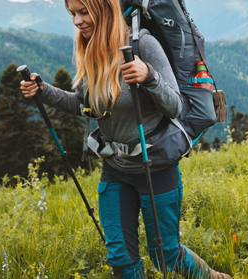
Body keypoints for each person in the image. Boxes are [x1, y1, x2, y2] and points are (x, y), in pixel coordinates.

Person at [20, 0, 230, 278]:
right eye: (72, 14)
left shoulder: (143, 45)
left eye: (84, 12)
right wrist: (43, 91)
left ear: (104, 9)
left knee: (166, 257)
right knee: (121, 259)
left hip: (155, 167)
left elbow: (175, 107)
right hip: (115, 170)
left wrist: (149, 77)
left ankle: (214, 277)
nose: (77, 21)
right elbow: (84, 105)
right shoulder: (91, 49)